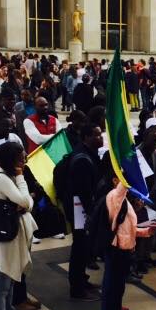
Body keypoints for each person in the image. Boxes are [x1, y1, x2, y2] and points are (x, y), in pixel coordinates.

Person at [0, 141, 37, 310]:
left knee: (11, 277)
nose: (24, 158)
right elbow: (26, 201)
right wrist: (20, 178)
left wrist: (25, 202)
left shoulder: (8, 176)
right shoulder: (3, 179)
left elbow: (28, 204)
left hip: (13, 233)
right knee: (2, 283)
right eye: (21, 155)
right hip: (5, 237)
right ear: (11, 160)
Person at [104, 175, 155, 310]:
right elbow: (123, 187)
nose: (127, 182)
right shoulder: (114, 197)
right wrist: (126, 170)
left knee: (117, 289)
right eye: (121, 178)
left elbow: (128, 228)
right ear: (114, 180)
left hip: (124, 250)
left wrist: (146, 231)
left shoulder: (123, 200)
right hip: (118, 250)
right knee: (115, 289)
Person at [66, 124, 104, 300]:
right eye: (96, 135)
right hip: (80, 211)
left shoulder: (88, 153)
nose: (100, 138)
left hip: (83, 210)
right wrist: (92, 214)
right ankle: (77, 288)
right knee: (80, 248)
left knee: (84, 247)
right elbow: (84, 191)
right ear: (86, 137)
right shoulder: (82, 158)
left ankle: (82, 279)